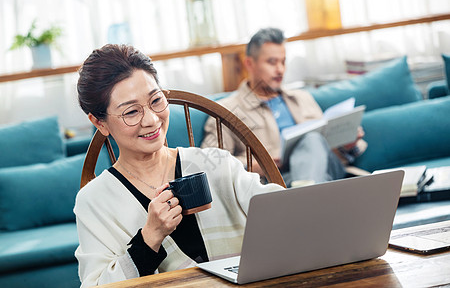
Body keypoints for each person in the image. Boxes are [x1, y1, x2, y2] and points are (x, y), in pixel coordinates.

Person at [74, 44, 284, 287]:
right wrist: (149, 237)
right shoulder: (95, 201)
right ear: (99, 123)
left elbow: (281, 212)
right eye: (131, 112)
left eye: (156, 100)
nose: (152, 120)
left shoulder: (215, 164)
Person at [201, 28, 366, 186]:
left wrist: (346, 146)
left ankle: (306, 202)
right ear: (249, 64)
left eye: (283, 62)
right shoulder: (227, 111)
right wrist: (261, 165)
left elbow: (324, 153)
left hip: (324, 173)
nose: (280, 69)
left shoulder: (302, 98)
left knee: (312, 140)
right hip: (276, 183)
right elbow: (210, 165)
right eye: (272, 62)